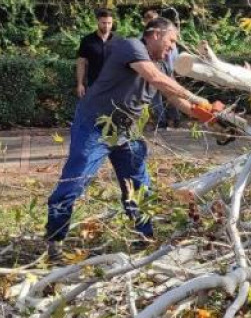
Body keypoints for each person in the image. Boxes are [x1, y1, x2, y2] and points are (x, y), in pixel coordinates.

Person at [45, 17, 224, 262]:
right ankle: (55, 241)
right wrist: (199, 99)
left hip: (126, 130)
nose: (173, 48)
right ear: (156, 35)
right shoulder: (131, 46)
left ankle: (145, 238)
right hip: (95, 125)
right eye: (171, 41)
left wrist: (212, 118)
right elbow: (156, 79)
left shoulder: (163, 66)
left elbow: (176, 99)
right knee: (76, 181)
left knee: (139, 186)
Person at [75, 8, 115, 98]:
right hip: (94, 85)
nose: (107, 26)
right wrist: (80, 84)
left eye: (109, 23)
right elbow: (81, 62)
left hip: (114, 85)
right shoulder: (87, 40)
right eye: (104, 23)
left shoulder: (118, 40)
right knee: (94, 111)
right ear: (98, 22)